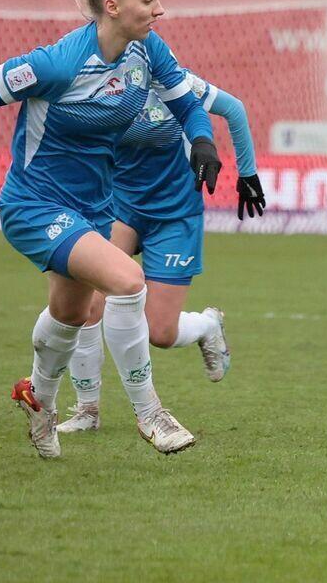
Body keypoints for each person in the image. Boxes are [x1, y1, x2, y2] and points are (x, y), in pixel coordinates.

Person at [0, 0, 221, 458]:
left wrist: (203, 141)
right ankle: (151, 414)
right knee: (128, 281)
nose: (160, 9)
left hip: (95, 208)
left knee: (71, 313)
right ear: (112, 7)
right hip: (36, 205)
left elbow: (186, 102)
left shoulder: (148, 50)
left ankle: (37, 400)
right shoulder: (58, 63)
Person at [56, 69, 265, 434]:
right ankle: (87, 410)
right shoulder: (96, 80)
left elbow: (234, 109)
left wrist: (247, 174)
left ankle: (207, 324)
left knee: (160, 332)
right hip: (121, 207)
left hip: (175, 214)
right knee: (89, 303)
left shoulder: (175, 81)